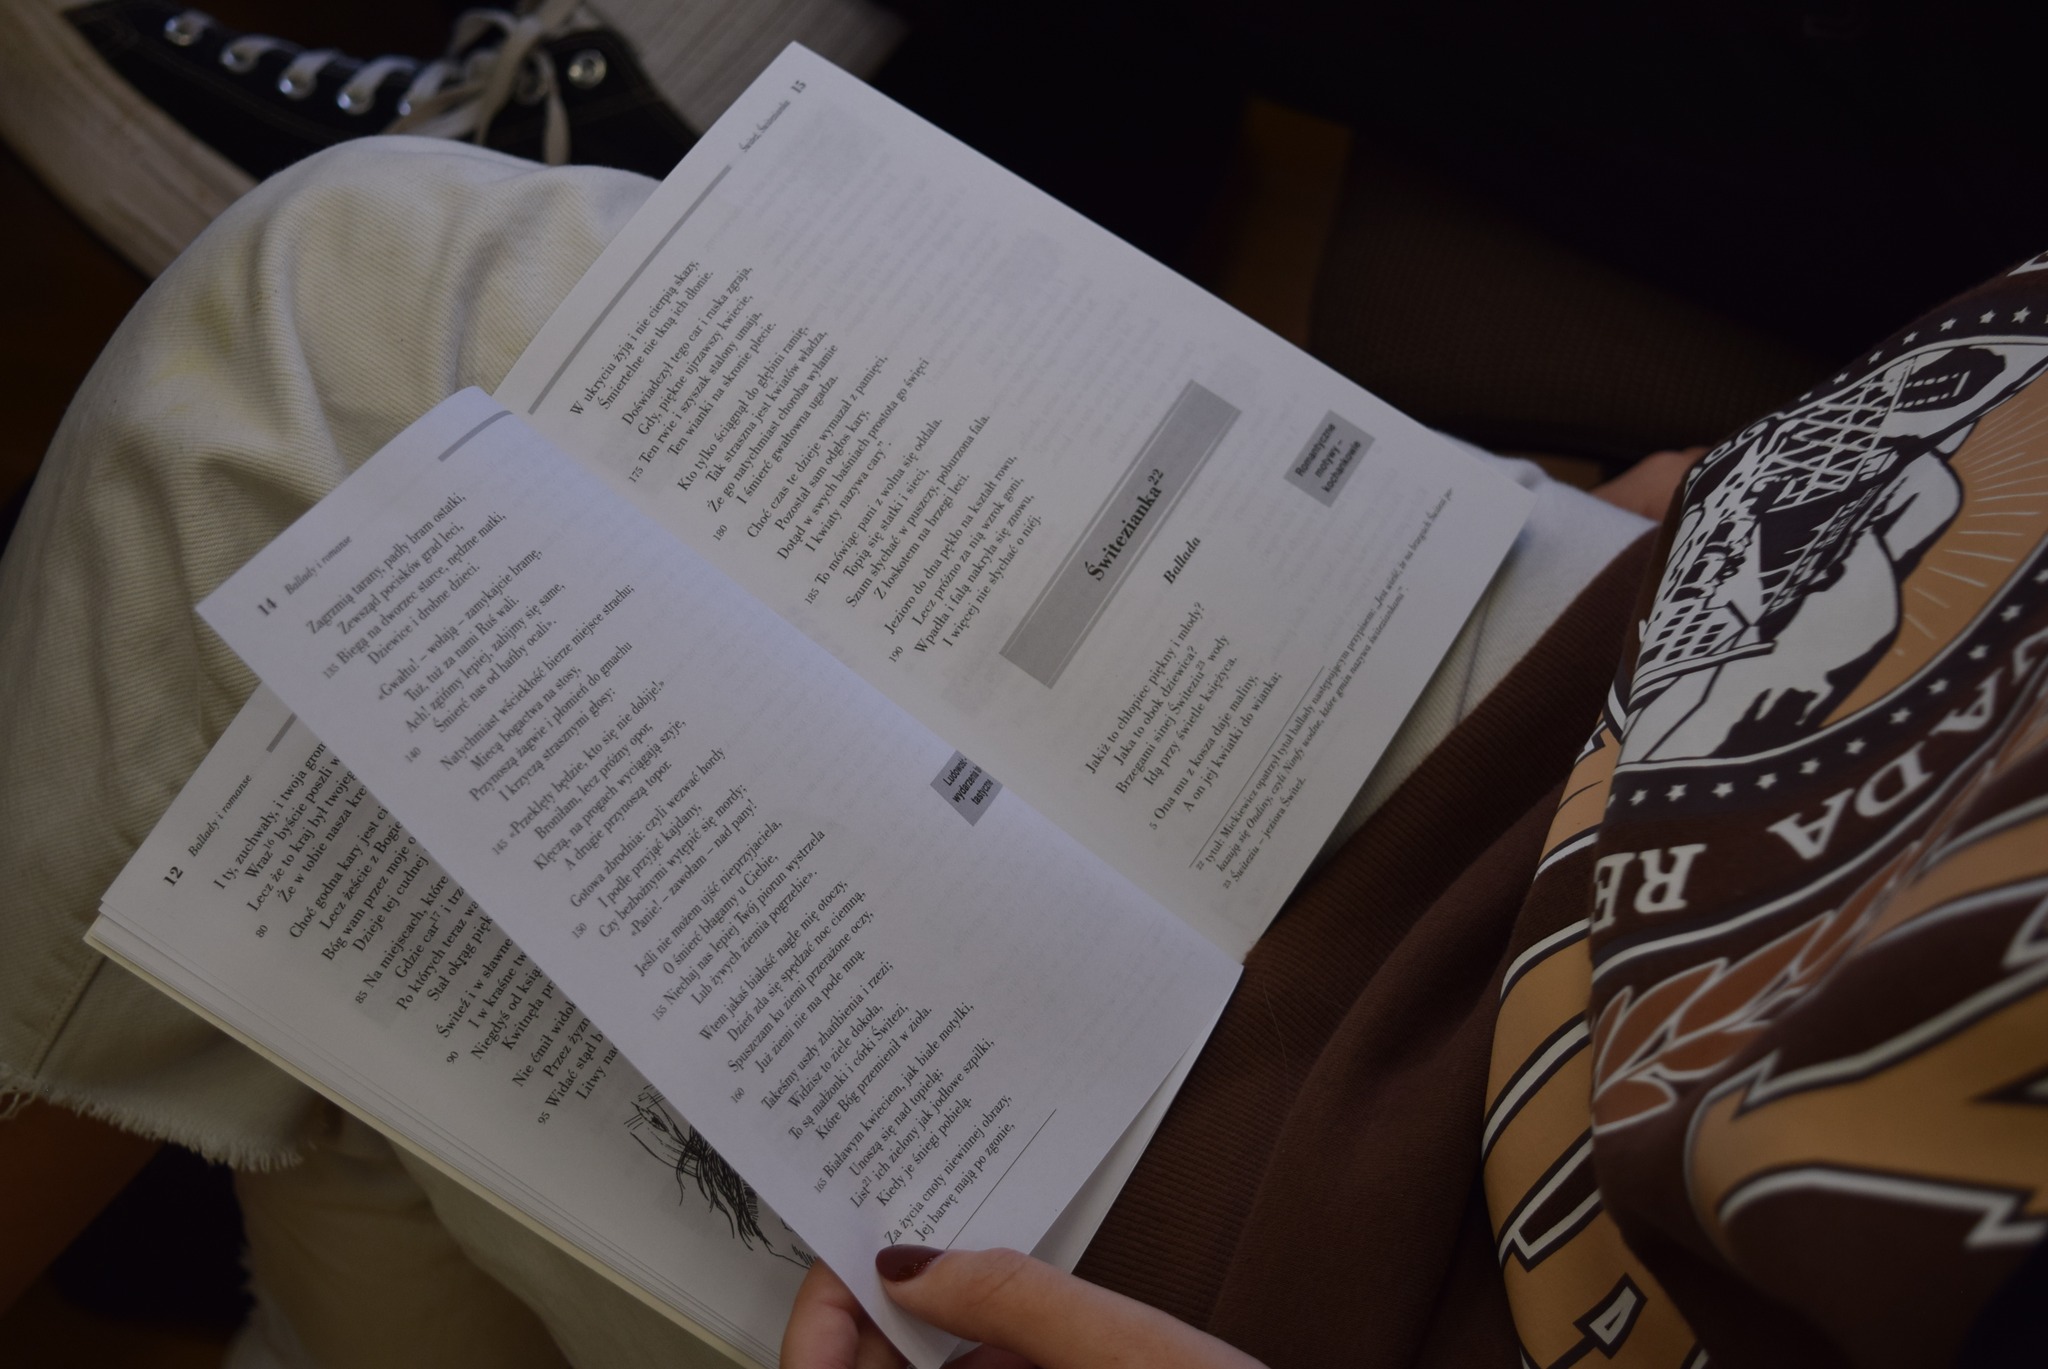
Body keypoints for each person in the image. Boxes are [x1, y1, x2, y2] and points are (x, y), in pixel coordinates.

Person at [2, 132, 2042, 1369]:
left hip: (1428, 1241)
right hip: (1724, 650)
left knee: (314, 400)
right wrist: (1871, 490)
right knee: (385, 345)